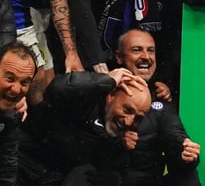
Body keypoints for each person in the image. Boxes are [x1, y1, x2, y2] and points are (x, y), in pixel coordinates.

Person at [17, 67, 150, 186]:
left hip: (52, 177)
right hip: (22, 163)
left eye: (138, 118)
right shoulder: (85, 97)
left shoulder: (123, 138)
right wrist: (106, 80)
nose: (129, 121)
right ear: (111, 95)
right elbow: (56, 88)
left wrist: (115, 175)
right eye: (127, 110)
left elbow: (113, 170)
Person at [115, 29, 201, 186]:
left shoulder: (160, 98)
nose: (146, 57)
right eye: (137, 50)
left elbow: (174, 134)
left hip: (148, 180)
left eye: (151, 51)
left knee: (188, 177)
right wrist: (115, 142)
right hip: (107, 176)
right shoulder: (101, 91)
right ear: (119, 57)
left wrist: (184, 153)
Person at [0, 41, 36, 186]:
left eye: (24, 83)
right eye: (10, 78)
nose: (16, 89)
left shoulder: (13, 114)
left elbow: (7, 165)